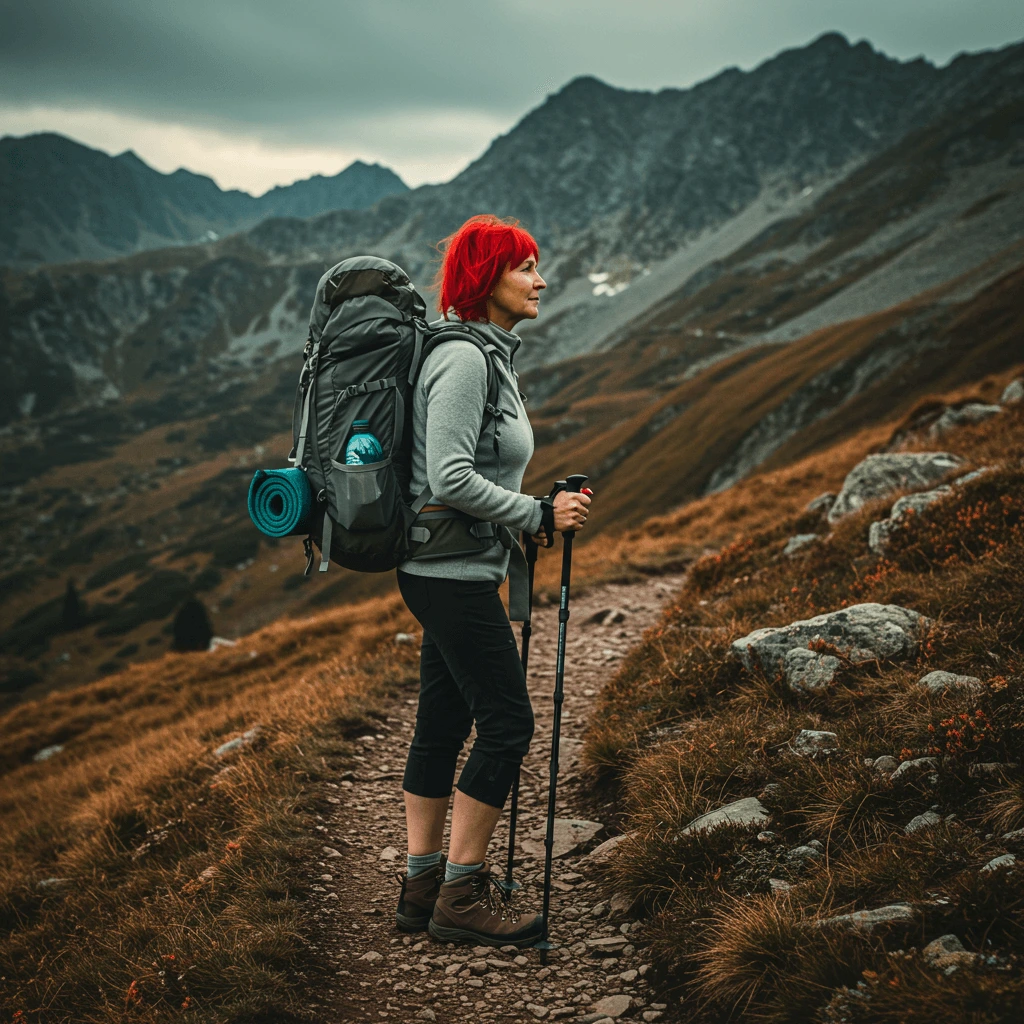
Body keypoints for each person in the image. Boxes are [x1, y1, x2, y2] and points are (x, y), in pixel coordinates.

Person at [394, 214, 593, 946]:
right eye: (526, 268)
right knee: (509, 724)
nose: (541, 281)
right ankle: (460, 895)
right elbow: (447, 476)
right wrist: (537, 510)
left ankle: (420, 887)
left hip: (451, 565)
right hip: (448, 572)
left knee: (444, 722)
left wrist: (524, 513)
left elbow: (471, 469)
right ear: (486, 278)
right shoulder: (466, 361)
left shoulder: (489, 355)